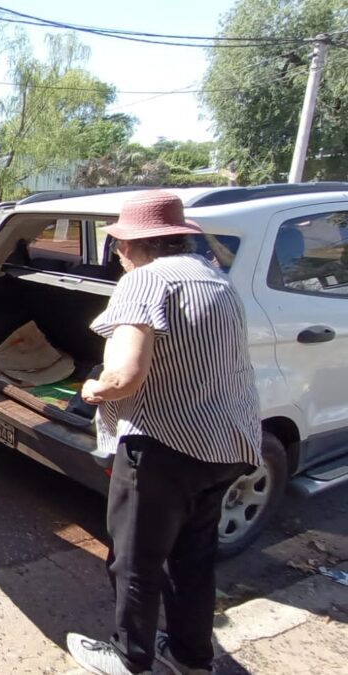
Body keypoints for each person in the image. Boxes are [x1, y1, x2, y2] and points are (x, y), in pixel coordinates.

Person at [65, 191, 261, 675]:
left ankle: (128, 658)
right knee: (193, 558)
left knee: (135, 562)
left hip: (165, 446)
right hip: (227, 442)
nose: (116, 252)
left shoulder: (145, 282)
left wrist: (95, 388)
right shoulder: (215, 277)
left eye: (118, 243)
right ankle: (192, 658)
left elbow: (125, 375)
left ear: (134, 244)